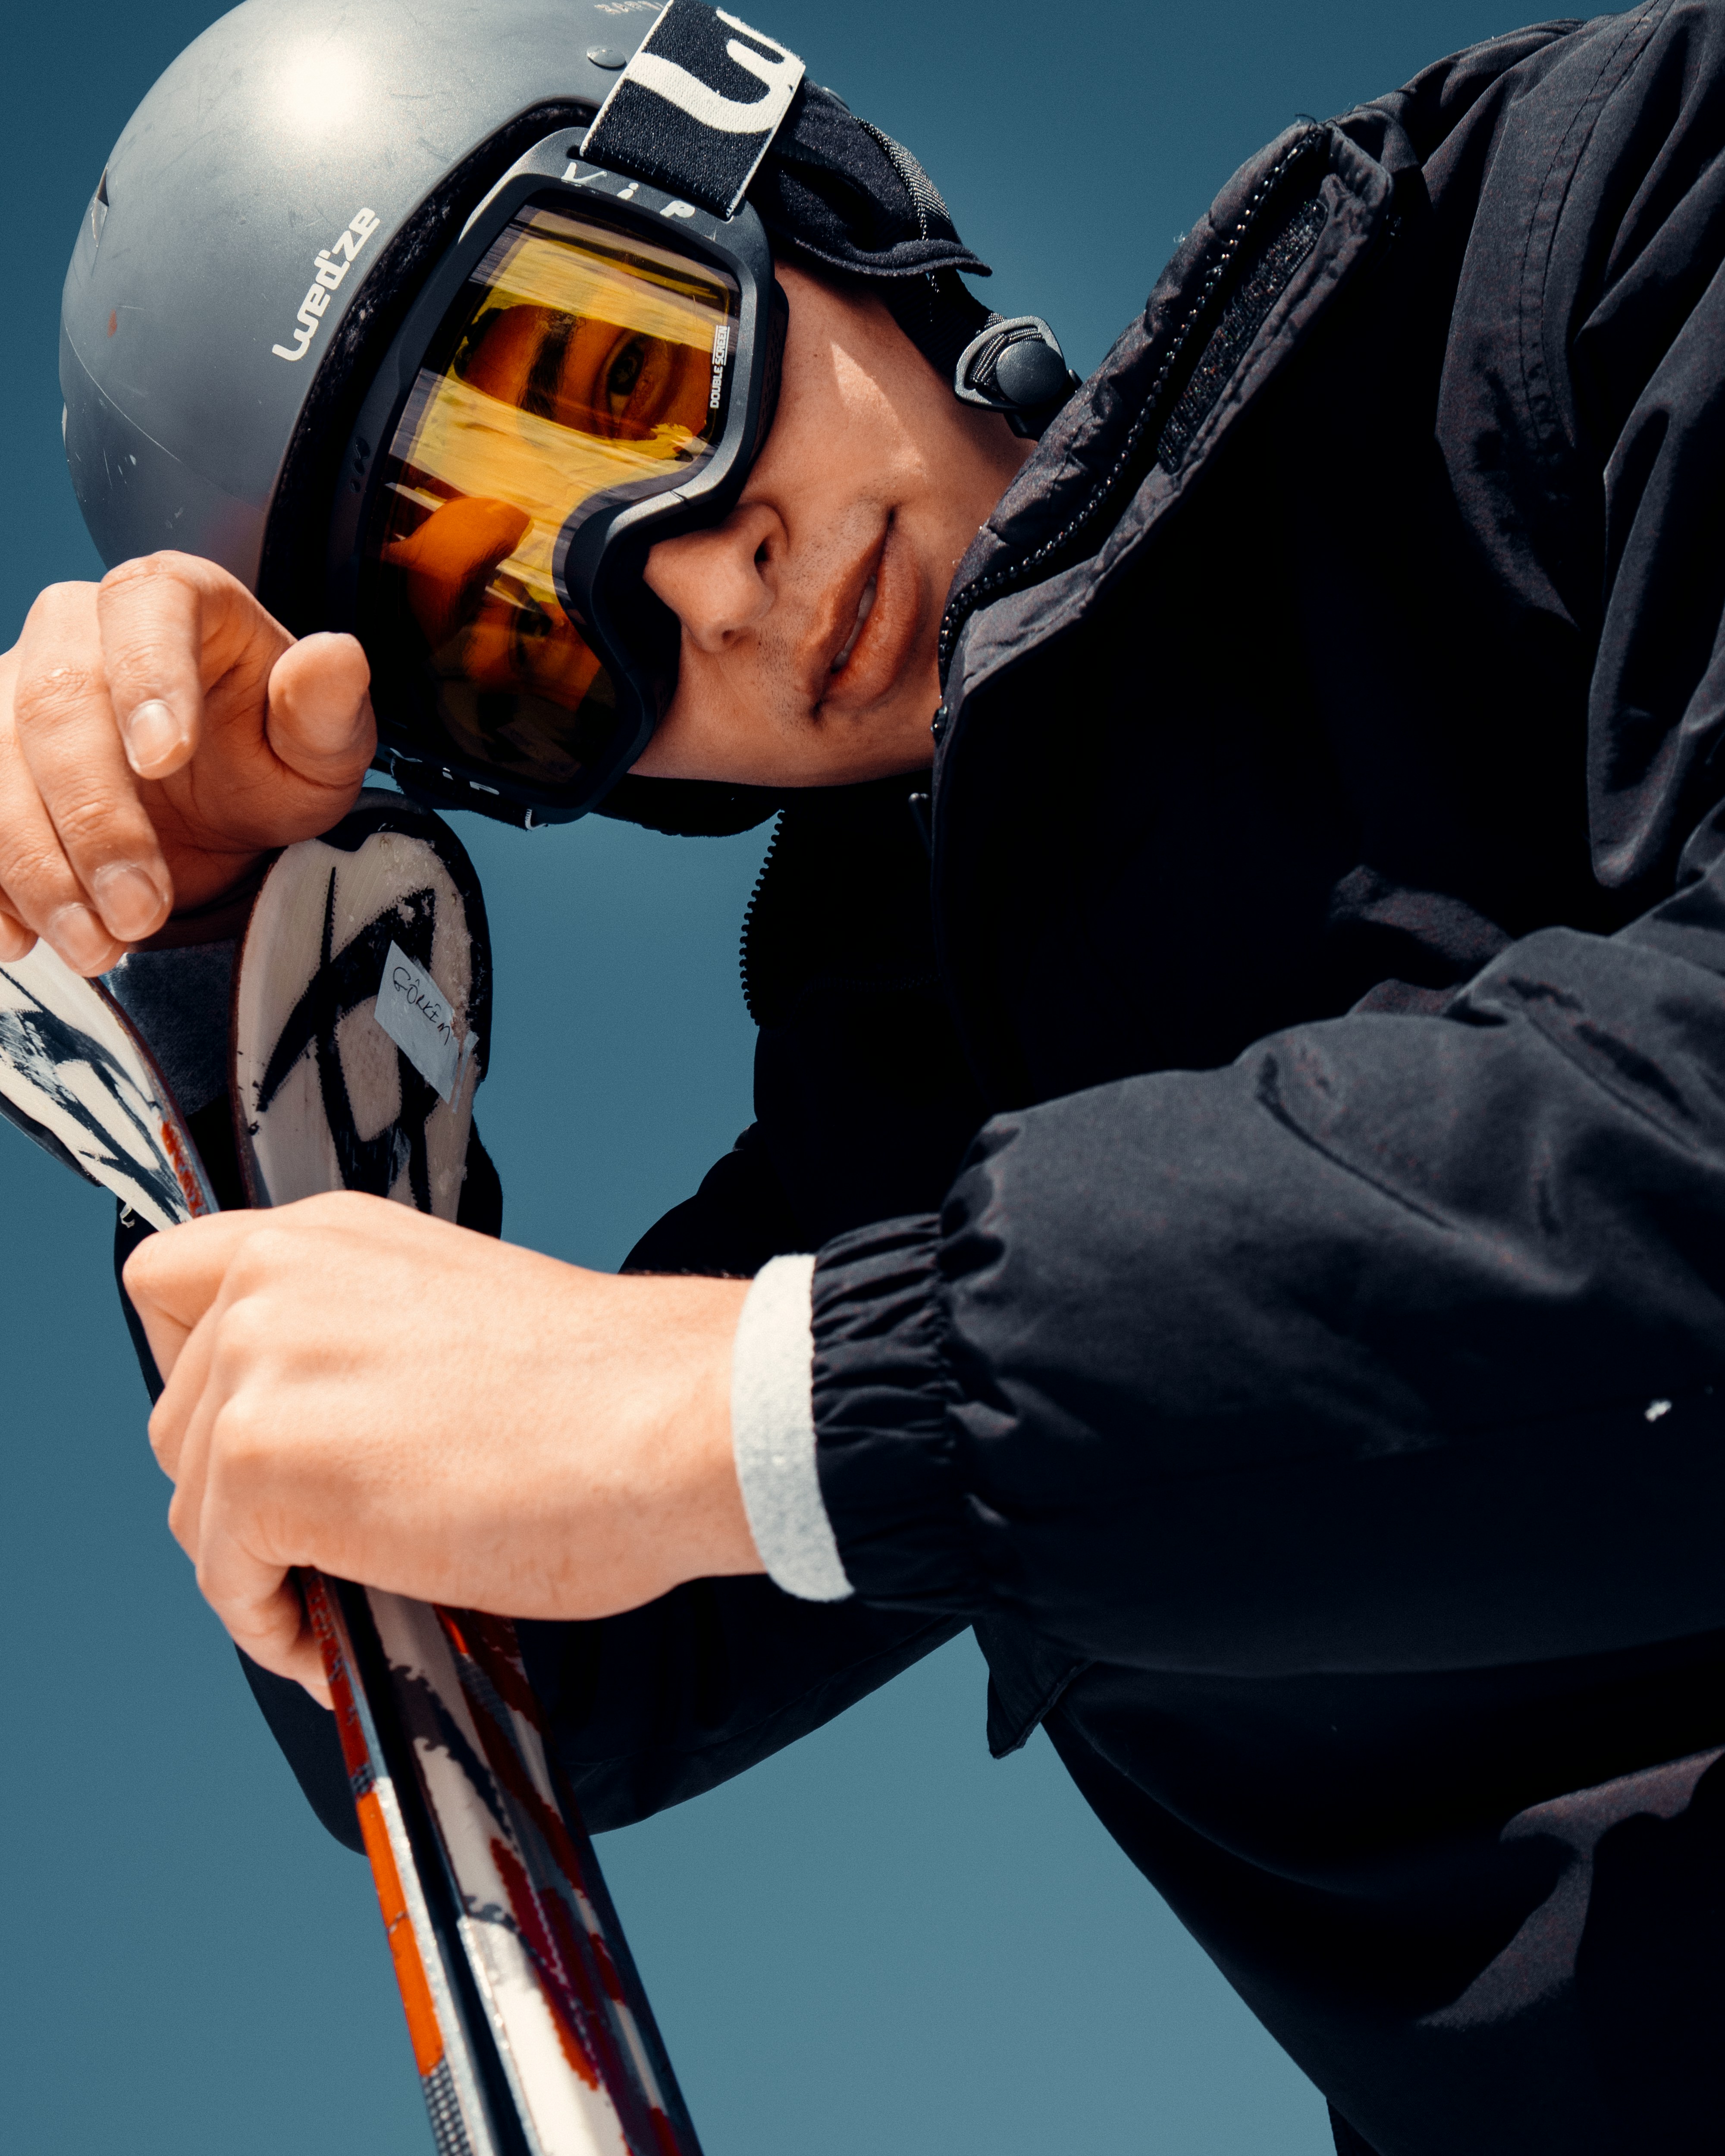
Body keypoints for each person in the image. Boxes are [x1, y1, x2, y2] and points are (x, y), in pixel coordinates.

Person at [4, 0, 1725, 2148]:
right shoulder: (915, 1092)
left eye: (622, 378)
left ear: (789, 181)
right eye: (532, 640)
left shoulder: (1588, 237)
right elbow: (501, 1689)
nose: (695, 577)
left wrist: (764, 1399)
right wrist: (194, 971)